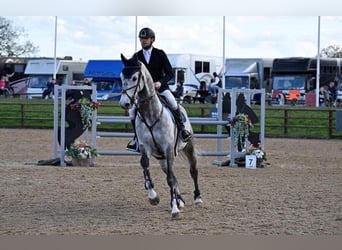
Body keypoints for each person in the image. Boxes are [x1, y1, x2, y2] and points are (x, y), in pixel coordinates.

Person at [126, 27, 192, 152]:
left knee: (172, 102)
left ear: (152, 39)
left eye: (146, 38)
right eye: (141, 38)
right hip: (143, 92)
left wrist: (160, 83)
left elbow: (169, 73)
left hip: (160, 88)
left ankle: (182, 130)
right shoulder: (137, 56)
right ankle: (136, 139)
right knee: (132, 111)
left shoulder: (160, 54)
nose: (143, 41)